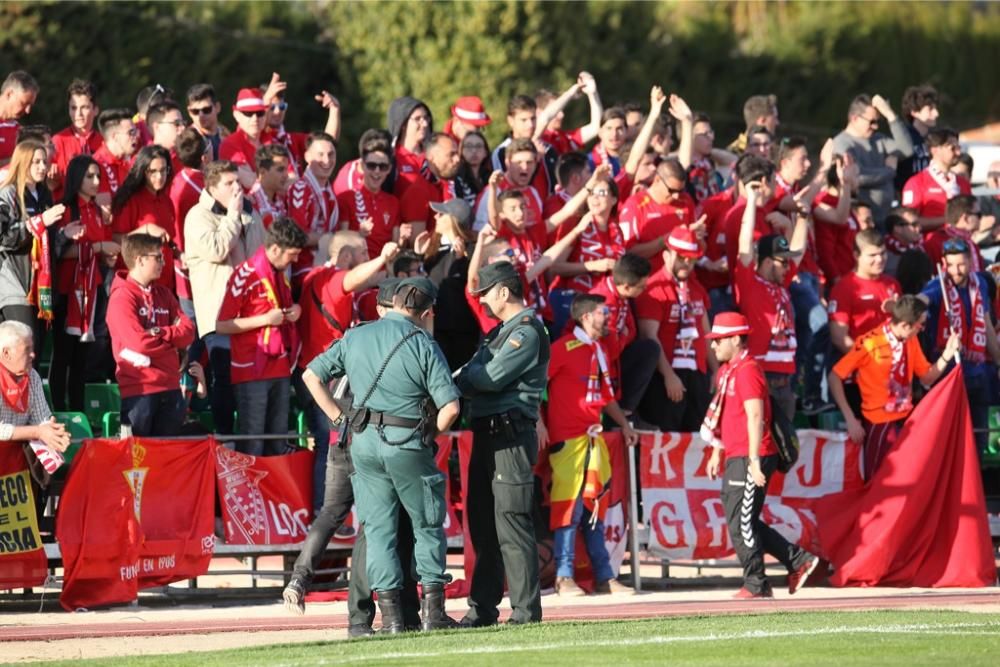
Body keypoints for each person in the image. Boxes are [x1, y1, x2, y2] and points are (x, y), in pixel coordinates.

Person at [301, 277, 461, 633]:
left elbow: (312, 375)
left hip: (363, 442)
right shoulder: (422, 342)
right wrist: (428, 433)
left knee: (378, 531)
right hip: (407, 441)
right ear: (426, 311)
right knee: (427, 525)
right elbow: (450, 408)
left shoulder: (356, 335)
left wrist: (339, 418)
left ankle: (390, 621)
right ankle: (433, 615)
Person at [284, 278, 422, 636]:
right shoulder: (391, 340)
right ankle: (367, 615)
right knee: (372, 526)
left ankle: (300, 577)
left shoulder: (350, 339)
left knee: (331, 512)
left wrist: (336, 418)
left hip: (341, 436)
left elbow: (312, 375)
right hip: (369, 437)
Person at [455, 260, 550, 626]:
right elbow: (469, 372)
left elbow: (490, 376)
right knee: (483, 526)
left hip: (509, 436)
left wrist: (465, 379)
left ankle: (526, 613)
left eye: (485, 295)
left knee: (511, 523)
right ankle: (482, 609)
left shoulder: (525, 331)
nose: (482, 302)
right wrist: (466, 377)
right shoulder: (500, 332)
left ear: (503, 291)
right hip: (488, 434)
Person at [702, 311, 820, 599]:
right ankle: (797, 560)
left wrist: (754, 460)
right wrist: (718, 450)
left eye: (718, 340)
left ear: (734, 339)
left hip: (750, 454)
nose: (713, 346)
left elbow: (756, 416)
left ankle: (756, 583)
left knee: (742, 523)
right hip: (737, 453)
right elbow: (729, 414)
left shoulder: (747, 371)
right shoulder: (728, 370)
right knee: (744, 520)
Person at [542, 293, 638, 596]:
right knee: (569, 509)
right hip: (568, 440)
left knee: (594, 509)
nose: (607, 317)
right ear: (586, 317)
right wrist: (538, 422)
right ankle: (563, 576)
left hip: (593, 439)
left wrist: (623, 425)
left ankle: (604, 576)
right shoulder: (562, 348)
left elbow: (606, 397)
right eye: (602, 312)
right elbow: (535, 386)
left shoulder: (599, 350)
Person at [295, 232, 399, 512]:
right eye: (363, 253)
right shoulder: (330, 279)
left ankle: (325, 509)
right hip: (326, 377)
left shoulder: (315, 275)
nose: (367, 258)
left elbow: (367, 280)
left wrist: (388, 268)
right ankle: (325, 509)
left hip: (314, 370)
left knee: (330, 440)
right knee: (332, 442)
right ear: (345, 257)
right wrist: (382, 257)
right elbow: (350, 281)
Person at [829, 295, 959, 480]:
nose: (922, 329)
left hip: (906, 421)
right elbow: (834, 376)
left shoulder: (911, 341)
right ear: (906, 325)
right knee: (878, 480)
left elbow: (927, 376)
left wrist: (947, 354)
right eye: (919, 325)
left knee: (908, 477)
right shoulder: (869, 342)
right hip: (879, 423)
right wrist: (850, 418)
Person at [184, 160, 266, 434]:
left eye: (237, 182)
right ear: (212, 187)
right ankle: (224, 437)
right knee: (224, 378)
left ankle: (248, 439)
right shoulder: (198, 216)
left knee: (247, 381)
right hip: (218, 314)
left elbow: (261, 258)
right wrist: (232, 216)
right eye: (229, 184)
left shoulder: (249, 212)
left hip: (250, 313)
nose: (236, 189)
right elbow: (217, 250)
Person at [216, 217, 308, 456]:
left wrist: (294, 310)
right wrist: (265, 320)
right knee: (253, 441)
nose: (296, 260)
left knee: (278, 440)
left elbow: (280, 310)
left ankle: (273, 493)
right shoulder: (245, 274)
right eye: (293, 254)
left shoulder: (281, 274)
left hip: (280, 365)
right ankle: (251, 493)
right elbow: (222, 325)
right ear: (275, 249)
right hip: (252, 368)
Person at [734, 179, 809, 422]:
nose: (789, 267)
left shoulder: (782, 282)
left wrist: (804, 217)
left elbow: (799, 248)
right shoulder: (749, 283)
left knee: (784, 450)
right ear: (767, 262)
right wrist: (752, 202)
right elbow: (744, 246)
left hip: (785, 379)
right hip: (760, 375)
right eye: (782, 262)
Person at [107, 233, 194, 436]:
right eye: (158, 257)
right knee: (139, 462)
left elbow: (189, 331)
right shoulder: (122, 297)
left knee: (168, 459)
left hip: (171, 387)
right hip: (140, 390)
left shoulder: (164, 293)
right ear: (140, 260)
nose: (164, 262)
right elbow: (139, 343)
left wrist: (160, 332)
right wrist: (172, 345)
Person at [919, 238, 1000, 456]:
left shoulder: (980, 284)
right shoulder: (938, 286)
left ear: (971, 261)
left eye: (961, 264)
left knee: (979, 437)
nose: (955, 270)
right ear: (944, 263)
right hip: (949, 372)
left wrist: (999, 361)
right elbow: (921, 301)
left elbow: (987, 327)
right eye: (950, 264)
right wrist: (908, 306)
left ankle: (978, 483)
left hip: (978, 370)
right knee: (950, 438)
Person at [50, 155, 119, 411]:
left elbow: (98, 248)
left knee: (82, 357)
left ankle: (77, 411)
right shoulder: (65, 208)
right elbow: (57, 252)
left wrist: (106, 254)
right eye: (89, 176)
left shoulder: (98, 211)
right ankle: (58, 410)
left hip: (93, 288)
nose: (95, 181)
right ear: (76, 176)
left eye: (98, 176)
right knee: (63, 354)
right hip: (69, 291)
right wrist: (99, 246)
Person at [636, 226, 714, 432]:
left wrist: (716, 371)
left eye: (691, 259)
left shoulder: (697, 288)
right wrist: (669, 376)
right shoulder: (653, 289)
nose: (686, 264)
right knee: (667, 439)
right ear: (665, 255)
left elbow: (707, 335)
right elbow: (649, 336)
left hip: (697, 374)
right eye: (681, 257)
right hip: (666, 377)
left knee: (698, 438)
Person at [0, 140, 65, 358]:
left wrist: (65, 235)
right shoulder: (7, 193)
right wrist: (37, 222)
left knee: (33, 355)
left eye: (44, 161)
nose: (42, 167)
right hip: (15, 286)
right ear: (22, 163)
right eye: (35, 162)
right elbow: (4, 238)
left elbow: (48, 243)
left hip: (41, 288)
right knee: (22, 352)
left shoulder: (45, 195)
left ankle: (32, 394)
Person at [0, 320, 71, 507]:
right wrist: (39, 432)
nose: (33, 354)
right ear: (6, 353)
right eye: (27, 349)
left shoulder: (32, 376)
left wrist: (52, 429)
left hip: (18, 463)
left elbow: (42, 418)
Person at [588, 253, 656, 416]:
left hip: (612, 356)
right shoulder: (603, 303)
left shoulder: (622, 295)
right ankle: (616, 418)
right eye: (641, 287)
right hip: (594, 361)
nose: (644, 290)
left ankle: (626, 412)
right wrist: (623, 336)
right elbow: (611, 351)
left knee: (648, 349)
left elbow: (631, 330)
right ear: (626, 286)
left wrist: (622, 336)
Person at [830, 94, 913, 224]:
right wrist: (889, 171)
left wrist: (890, 115)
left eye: (878, 122)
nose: (875, 127)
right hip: (863, 221)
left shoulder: (878, 139)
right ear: (855, 118)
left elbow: (907, 149)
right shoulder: (842, 143)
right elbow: (858, 177)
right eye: (872, 122)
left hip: (885, 218)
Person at [111, 145, 176, 293]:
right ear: (142, 171)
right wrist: (145, 230)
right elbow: (115, 240)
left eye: (163, 170)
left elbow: (168, 240)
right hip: (137, 285)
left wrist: (179, 254)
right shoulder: (130, 200)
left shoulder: (166, 200)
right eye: (152, 171)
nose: (159, 176)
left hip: (165, 284)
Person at [619, 156, 698, 272]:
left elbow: (698, 249)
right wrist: (665, 240)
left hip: (683, 279)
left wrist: (698, 237)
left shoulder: (685, 200)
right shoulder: (635, 205)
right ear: (657, 180)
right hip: (651, 280)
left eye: (680, 191)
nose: (676, 196)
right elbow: (627, 252)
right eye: (672, 191)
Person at [286, 131, 340, 287]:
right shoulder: (301, 189)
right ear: (307, 157)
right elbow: (298, 237)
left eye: (331, 155)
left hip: (323, 264)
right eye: (320, 155)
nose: (327, 160)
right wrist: (332, 238)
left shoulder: (328, 191)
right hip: (302, 269)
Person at [336, 133, 400, 259]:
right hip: (356, 271)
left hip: (385, 271)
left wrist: (403, 240)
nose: (377, 171)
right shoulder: (346, 198)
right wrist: (359, 234)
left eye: (383, 167)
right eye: (371, 165)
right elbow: (339, 245)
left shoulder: (393, 202)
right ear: (362, 166)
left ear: (389, 169)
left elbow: (395, 246)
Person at [902, 127, 971, 232]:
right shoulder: (917, 182)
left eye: (959, 147)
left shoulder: (962, 183)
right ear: (935, 150)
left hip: (962, 243)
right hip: (930, 244)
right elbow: (909, 222)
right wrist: (949, 220)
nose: (958, 153)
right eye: (952, 148)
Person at [51, 79, 103, 201]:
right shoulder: (58, 141)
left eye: (84, 107)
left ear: (95, 110)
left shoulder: (104, 142)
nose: (78, 114)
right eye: (73, 108)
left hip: (96, 211)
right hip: (67, 211)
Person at [895, 84, 940, 192]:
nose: (936, 113)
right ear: (914, 112)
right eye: (930, 109)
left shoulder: (936, 137)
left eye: (935, 108)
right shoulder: (904, 137)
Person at [386, 96, 433, 198]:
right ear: (402, 124)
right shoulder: (392, 158)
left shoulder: (433, 155)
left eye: (426, 118)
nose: (425, 124)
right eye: (418, 119)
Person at [0, 71, 39, 166]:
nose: (28, 110)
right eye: (24, 103)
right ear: (9, 94)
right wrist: (17, 161)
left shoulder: (20, 132)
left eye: (30, 105)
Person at [186, 83, 229, 160]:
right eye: (195, 111)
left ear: (217, 107)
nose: (201, 115)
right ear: (189, 112)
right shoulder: (188, 141)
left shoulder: (225, 133)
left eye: (206, 110)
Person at [454, 130, 491, 207]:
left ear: (486, 152)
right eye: (469, 146)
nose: (474, 151)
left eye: (478, 146)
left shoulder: (491, 178)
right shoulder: (456, 179)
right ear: (461, 151)